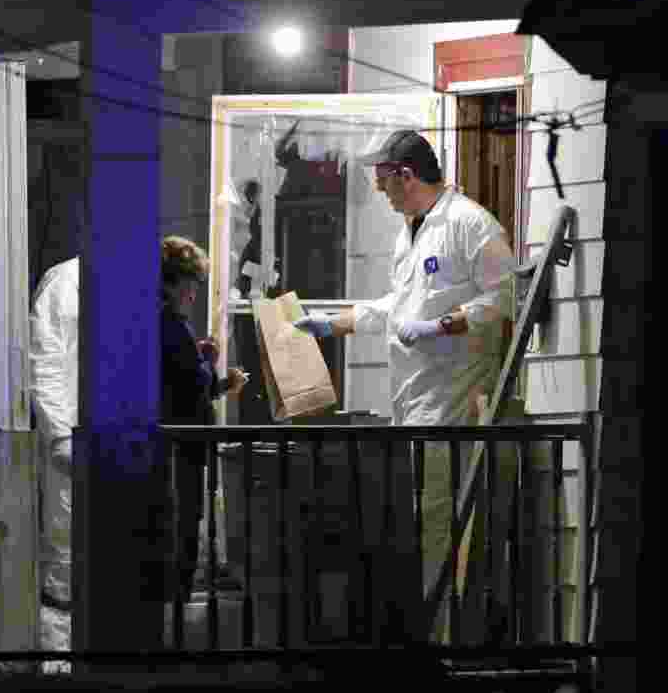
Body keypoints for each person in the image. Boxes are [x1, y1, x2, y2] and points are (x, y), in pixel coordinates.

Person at [293, 129, 516, 641]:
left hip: (452, 400)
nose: (378, 190)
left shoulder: (469, 224)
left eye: (382, 180)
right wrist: (339, 322)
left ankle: (446, 641)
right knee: (422, 523)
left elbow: (504, 297)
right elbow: (402, 306)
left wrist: (443, 326)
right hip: (413, 402)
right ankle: (429, 636)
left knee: (440, 522)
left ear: (406, 175)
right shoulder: (410, 232)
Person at [160, 236, 248, 601]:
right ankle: (175, 608)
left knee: (184, 523)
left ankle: (174, 603)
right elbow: (193, 382)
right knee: (182, 526)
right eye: (190, 286)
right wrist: (209, 365)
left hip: (185, 445)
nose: (193, 296)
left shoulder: (167, 326)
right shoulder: (170, 326)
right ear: (174, 283)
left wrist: (212, 372)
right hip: (183, 447)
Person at [29, 256, 79, 666]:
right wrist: (60, 433)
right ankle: (57, 660)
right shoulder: (65, 281)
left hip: (109, 438)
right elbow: (44, 359)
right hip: (72, 441)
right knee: (63, 553)